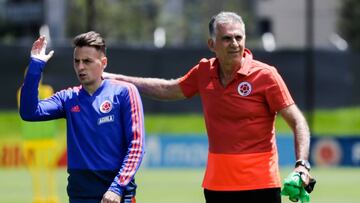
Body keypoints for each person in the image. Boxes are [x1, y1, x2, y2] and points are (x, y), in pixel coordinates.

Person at [103, 11, 313, 202]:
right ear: (212, 45)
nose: (234, 44)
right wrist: (115, 79)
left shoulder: (266, 75)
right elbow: (168, 89)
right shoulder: (203, 71)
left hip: (261, 185)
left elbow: (297, 121)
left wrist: (302, 165)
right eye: (227, 38)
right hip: (217, 185)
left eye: (239, 37)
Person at [19, 31, 145, 203]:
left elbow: (136, 146)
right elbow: (29, 112)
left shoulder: (124, 92)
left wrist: (117, 187)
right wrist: (35, 65)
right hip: (80, 194)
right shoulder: (68, 98)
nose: (80, 67)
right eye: (76, 61)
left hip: (117, 194)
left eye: (87, 61)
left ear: (103, 63)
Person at [17, 72, 59, 203]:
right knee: (35, 171)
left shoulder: (47, 90)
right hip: (31, 137)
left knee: (49, 169)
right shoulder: (22, 91)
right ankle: (38, 196)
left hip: (46, 136)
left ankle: (51, 196)